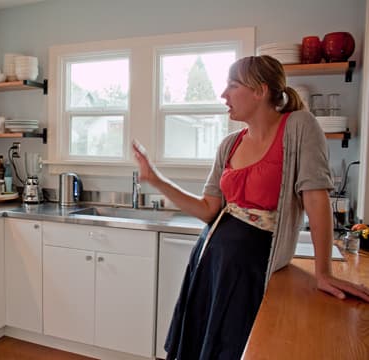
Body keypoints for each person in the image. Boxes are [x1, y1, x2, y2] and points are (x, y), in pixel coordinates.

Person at [132, 55, 369, 360]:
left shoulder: (299, 126)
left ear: (260, 90)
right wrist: (155, 178)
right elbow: (208, 210)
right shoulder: (229, 144)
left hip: (252, 269)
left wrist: (324, 272)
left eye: (232, 85)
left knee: (236, 347)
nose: (223, 95)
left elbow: (315, 197)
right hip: (211, 262)